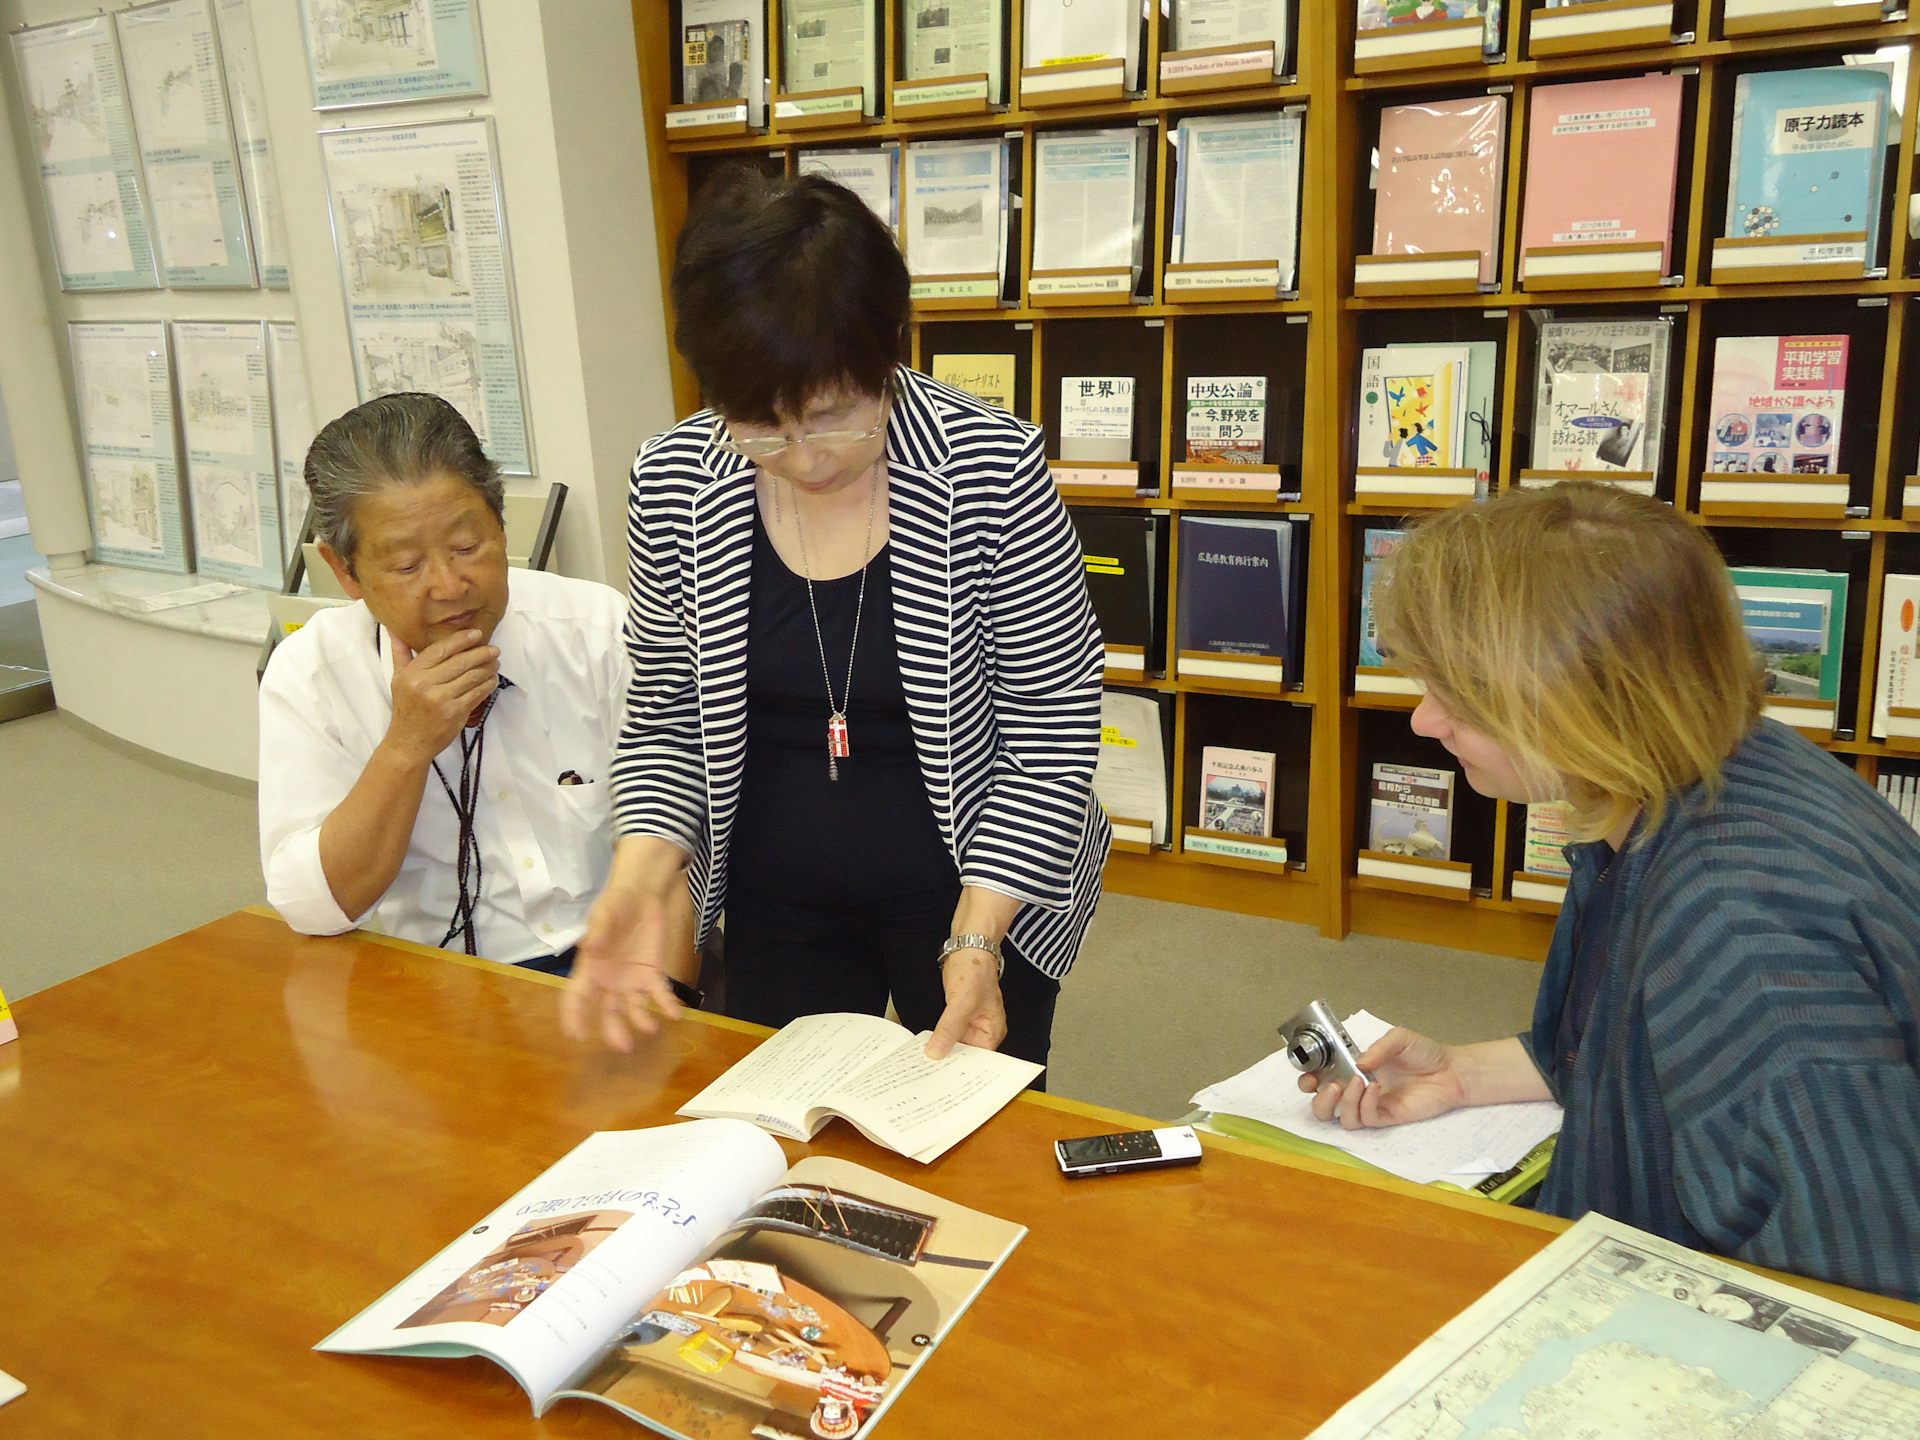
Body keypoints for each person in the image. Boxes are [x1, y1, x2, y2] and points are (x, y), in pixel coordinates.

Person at [1301, 484, 1920, 1303]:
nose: (1423, 721)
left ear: (1581, 695)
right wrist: (1463, 1073)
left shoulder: (1735, 925)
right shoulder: (1679, 778)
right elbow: (1646, 1058)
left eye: (1458, 693)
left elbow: (1862, 1299)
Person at [563, 169, 1110, 1068]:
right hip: (775, 883)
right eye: (758, 426)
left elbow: (1051, 728)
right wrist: (639, 876)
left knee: (976, 1130)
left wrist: (976, 937)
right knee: (783, 1137)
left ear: (889, 353)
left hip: (977, 873)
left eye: (830, 417)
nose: (802, 459)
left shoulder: (989, 467)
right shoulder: (672, 480)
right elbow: (666, 716)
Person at [259, 392, 680, 978]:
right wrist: (405, 747)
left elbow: (687, 832)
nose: (451, 585)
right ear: (345, 571)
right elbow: (314, 908)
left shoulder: (598, 629)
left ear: (503, 527)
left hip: (626, 960)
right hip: (445, 983)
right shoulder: (312, 673)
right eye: (407, 566)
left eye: (467, 546)